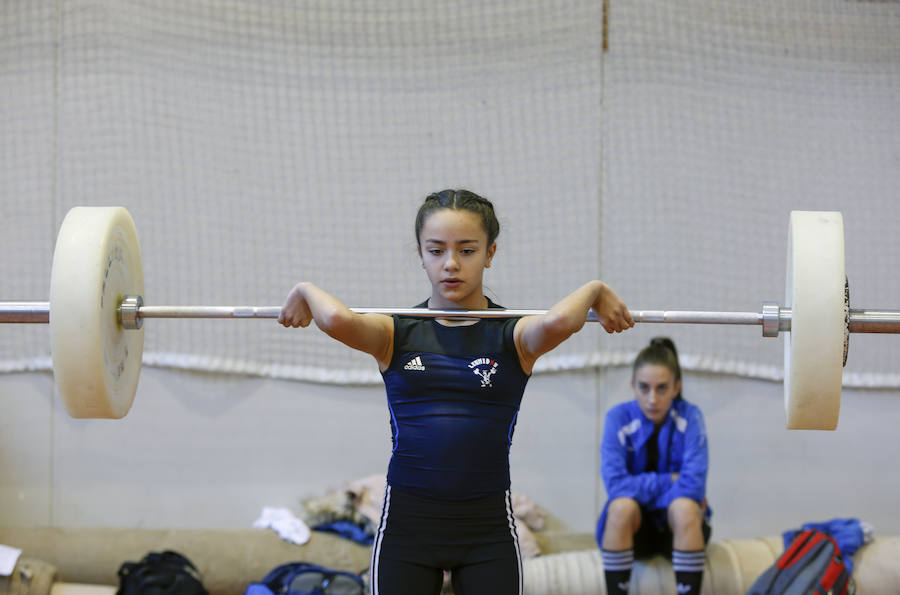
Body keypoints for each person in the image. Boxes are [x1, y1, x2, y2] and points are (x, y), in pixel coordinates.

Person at [279, 189, 634, 595]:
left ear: (490, 253)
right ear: (421, 254)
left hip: (486, 529)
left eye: (467, 250)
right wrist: (304, 289)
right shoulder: (395, 333)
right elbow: (336, 319)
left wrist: (595, 289)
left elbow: (558, 323)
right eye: (436, 250)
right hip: (407, 528)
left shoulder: (512, 335)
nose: (450, 264)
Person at [595, 337, 711, 595]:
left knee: (684, 507)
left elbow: (693, 486)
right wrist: (670, 480)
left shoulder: (691, 416)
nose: (652, 399)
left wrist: (644, 491)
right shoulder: (618, 418)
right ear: (633, 385)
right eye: (644, 387)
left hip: (677, 528)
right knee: (620, 507)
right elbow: (615, 485)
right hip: (635, 530)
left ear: (676, 387)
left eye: (662, 388)